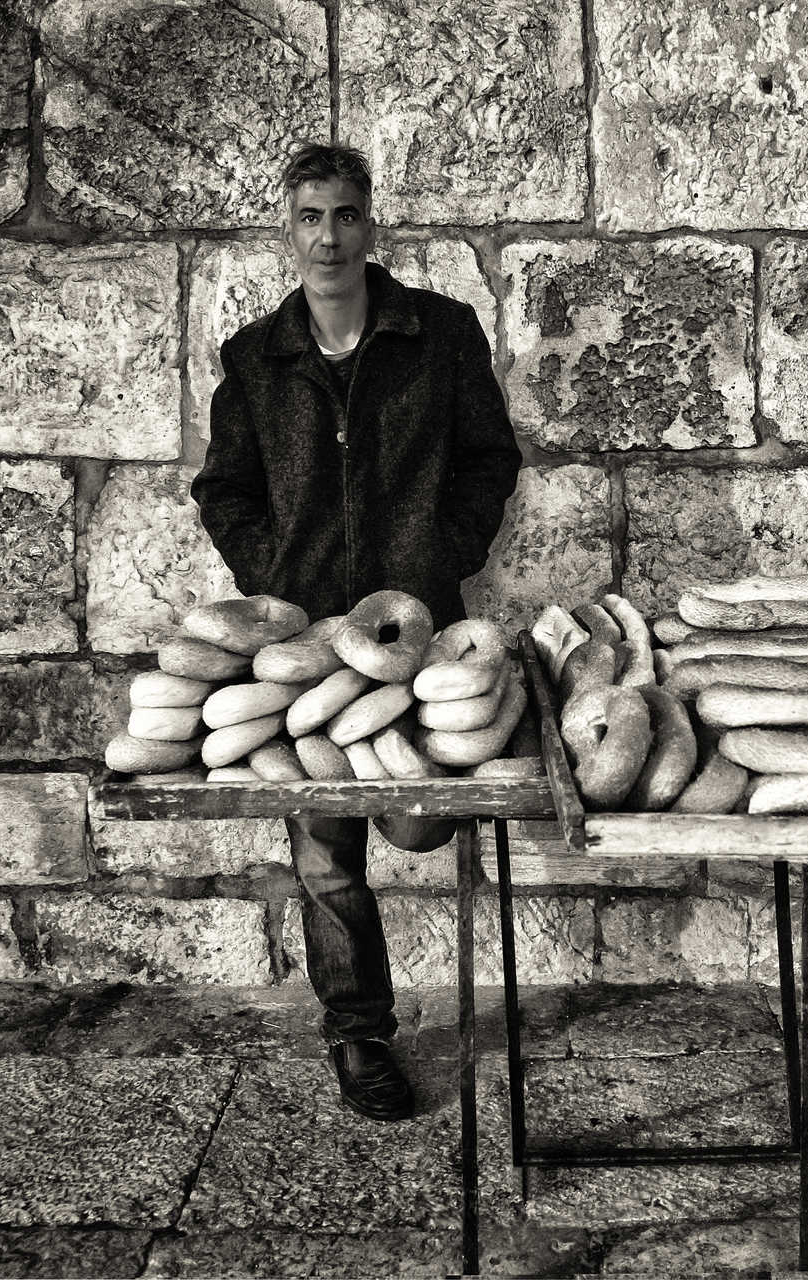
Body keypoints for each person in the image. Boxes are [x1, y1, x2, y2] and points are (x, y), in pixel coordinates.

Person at [192, 143, 520, 1122]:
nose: (328, 235)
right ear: (286, 231)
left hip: (421, 632)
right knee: (326, 852)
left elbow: (488, 460)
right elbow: (224, 490)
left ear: (370, 222)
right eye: (309, 217)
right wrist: (275, 583)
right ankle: (359, 1036)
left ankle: (381, 1005)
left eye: (344, 214)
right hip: (304, 646)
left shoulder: (441, 334)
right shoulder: (256, 361)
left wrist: (438, 553)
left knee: (417, 816)